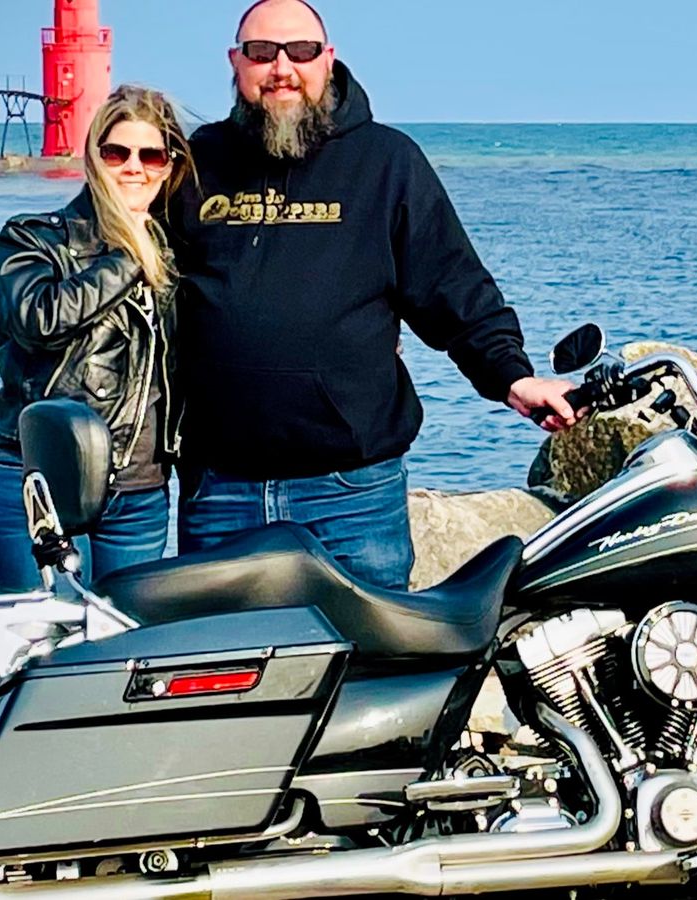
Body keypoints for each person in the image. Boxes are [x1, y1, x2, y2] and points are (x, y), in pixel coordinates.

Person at [168, 0, 580, 591]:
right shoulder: (198, 161)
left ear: (328, 59)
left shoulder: (387, 161)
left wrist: (512, 376)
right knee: (220, 653)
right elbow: (130, 258)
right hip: (219, 491)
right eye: (261, 53)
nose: (282, 68)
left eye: (301, 51)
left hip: (350, 495)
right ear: (236, 62)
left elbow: (452, 285)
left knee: (366, 654)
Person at [0, 85, 193, 592]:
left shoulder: (176, 251)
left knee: (123, 638)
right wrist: (129, 256)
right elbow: (39, 320)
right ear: (94, 158)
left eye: (151, 156)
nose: (134, 168)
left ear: (169, 167)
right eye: (117, 153)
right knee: (46, 636)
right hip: (40, 482)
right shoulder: (32, 238)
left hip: (139, 496)